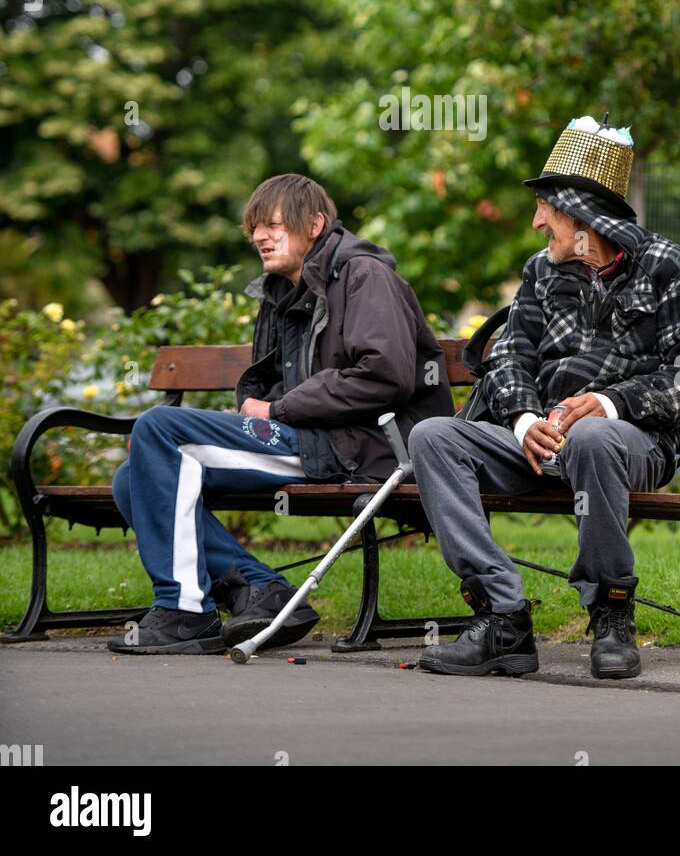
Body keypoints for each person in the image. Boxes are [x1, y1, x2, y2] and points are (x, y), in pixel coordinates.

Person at [409, 115, 680, 680]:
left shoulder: (667, 267)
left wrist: (608, 404)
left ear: (581, 214)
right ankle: (502, 616)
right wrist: (524, 419)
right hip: (539, 443)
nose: (534, 222)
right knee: (432, 437)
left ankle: (611, 611)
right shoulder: (542, 273)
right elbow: (508, 358)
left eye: (544, 210)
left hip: (628, 444)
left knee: (594, 437)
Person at [109, 172, 450, 655]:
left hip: (366, 447)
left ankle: (185, 611)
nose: (259, 236)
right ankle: (259, 589)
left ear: (314, 223)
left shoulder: (364, 276)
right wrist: (268, 408)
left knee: (160, 429)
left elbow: (384, 376)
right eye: (254, 227)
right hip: (310, 437)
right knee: (133, 478)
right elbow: (271, 386)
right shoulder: (282, 291)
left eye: (273, 223)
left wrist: (280, 408)